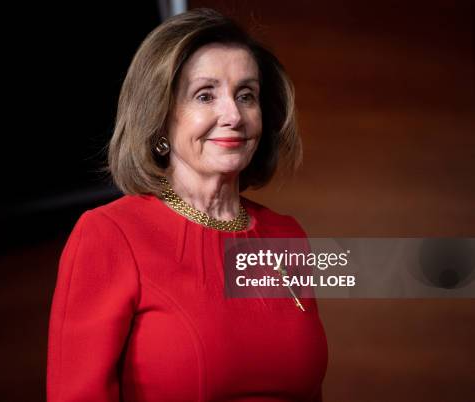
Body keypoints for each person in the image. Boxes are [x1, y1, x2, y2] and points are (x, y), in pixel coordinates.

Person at [47, 8, 327, 402]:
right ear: (160, 119)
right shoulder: (109, 235)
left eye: (246, 95)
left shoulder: (287, 235)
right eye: (205, 95)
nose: (233, 115)